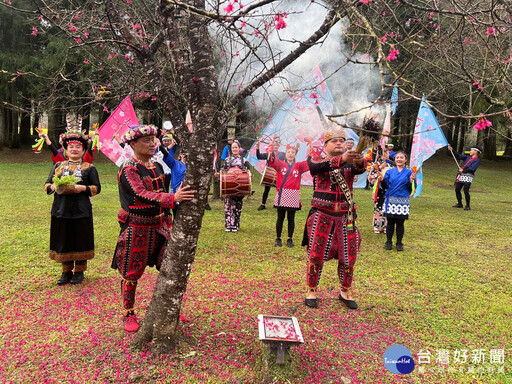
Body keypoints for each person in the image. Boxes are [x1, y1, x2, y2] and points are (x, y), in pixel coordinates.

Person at [112, 124, 195, 332]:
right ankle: (128, 313)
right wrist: (172, 198)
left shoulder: (156, 166)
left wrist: (169, 220)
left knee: (170, 267)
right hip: (138, 228)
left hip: (160, 227)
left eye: (153, 140)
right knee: (131, 272)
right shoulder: (128, 168)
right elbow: (140, 193)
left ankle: (168, 307)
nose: (152, 144)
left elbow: (161, 190)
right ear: (133, 144)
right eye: (146, 140)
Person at [303, 125, 366, 310]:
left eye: (341, 140)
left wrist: (359, 160)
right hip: (322, 216)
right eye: (334, 141)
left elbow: (360, 170)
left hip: (346, 218)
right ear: (325, 145)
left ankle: (345, 290)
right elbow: (316, 168)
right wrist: (343, 158)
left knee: (349, 257)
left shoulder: (349, 163)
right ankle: (312, 290)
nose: (339, 143)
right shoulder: (317, 160)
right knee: (316, 255)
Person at [44, 126, 101, 285]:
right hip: (60, 209)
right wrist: (53, 187)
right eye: (71, 147)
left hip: (81, 210)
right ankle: (66, 271)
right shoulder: (58, 167)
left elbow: (97, 188)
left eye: (78, 147)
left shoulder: (89, 168)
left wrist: (82, 188)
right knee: (64, 239)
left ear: (83, 151)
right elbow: (47, 184)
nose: (74, 149)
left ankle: (80, 271)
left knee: (80, 239)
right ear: (65, 150)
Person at [268, 143, 309, 248]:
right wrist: (271, 148)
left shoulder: (299, 166)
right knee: (280, 218)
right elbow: (272, 159)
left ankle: (290, 239)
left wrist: (310, 147)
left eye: (293, 152)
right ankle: (278, 238)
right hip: (282, 194)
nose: (290, 154)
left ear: (295, 154)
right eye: (288, 152)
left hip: (293, 195)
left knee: (291, 218)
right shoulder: (280, 164)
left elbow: (309, 162)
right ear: (285, 154)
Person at [380, 151, 416, 251]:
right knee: (390, 222)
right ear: (394, 160)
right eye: (397, 158)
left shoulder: (409, 172)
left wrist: (411, 181)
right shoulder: (389, 172)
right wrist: (382, 180)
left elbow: (412, 188)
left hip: (402, 200)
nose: (399, 159)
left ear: (405, 160)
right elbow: (384, 187)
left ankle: (399, 243)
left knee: (400, 223)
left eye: (401, 157)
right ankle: (388, 242)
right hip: (390, 199)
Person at [222, 140, 251, 232]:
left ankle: (235, 225)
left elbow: (248, 172)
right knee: (228, 205)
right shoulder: (227, 160)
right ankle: (228, 225)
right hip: (229, 186)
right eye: (233, 147)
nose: (234, 149)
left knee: (237, 206)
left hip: (239, 187)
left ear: (239, 149)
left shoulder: (244, 161)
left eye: (236, 147)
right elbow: (223, 171)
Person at [448, 145, 481, 210]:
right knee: (457, 189)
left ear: (476, 151)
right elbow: (458, 156)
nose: (470, 151)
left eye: (471, 150)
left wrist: (463, 170)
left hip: (468, 176)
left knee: (466, 190)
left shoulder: (477, 160)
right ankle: (459, 203)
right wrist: (452, 150)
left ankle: (468, 205)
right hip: (462, 175)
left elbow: (472, 169)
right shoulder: (467, 157)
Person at [256, 137, 285, 211]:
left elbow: (288, 157)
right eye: (274, 145)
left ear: (279, 146)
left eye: (277, 145)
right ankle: (263, 204)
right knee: (266, 190)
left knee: (279, 189)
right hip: (269, 174)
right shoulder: (268, 154)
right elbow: (259, 156)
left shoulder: (282, 154)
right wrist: (257, 148)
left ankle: (280, 204)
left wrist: (296, 149)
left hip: (278, 174)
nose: (275, 146)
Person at [161, 138, 187, 217]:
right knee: (176, 215)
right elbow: (166, 154)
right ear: (181, 154)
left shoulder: (192, 166)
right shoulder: (175, 164)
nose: (186, 155)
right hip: (176, 193)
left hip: (188, 193)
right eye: (184, 153)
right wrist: (160, 146)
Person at [368, 148, 390, 233]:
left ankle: (386, 225)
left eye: (387, 152)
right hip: (379, 190)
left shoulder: (390, 164)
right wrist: (379, 168)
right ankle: (377, 225)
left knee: (387, 207)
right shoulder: (375, 164)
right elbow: (370, 177)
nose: (387, 154)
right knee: (379, 206)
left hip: (388, 189)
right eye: (385, 152)